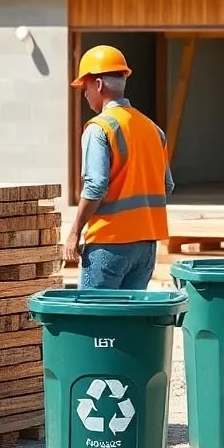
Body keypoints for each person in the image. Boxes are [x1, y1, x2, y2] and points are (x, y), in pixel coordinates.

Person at [64, 44, 173, 290]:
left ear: (98, 85)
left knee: (96, 314)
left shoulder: (99, 128)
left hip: (108, 243)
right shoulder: (154, 129)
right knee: (128, 314)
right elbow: (166, 185)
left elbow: (95, 186)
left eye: (85, 87)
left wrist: (75, 232)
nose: (85, 95)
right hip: (146, 246)